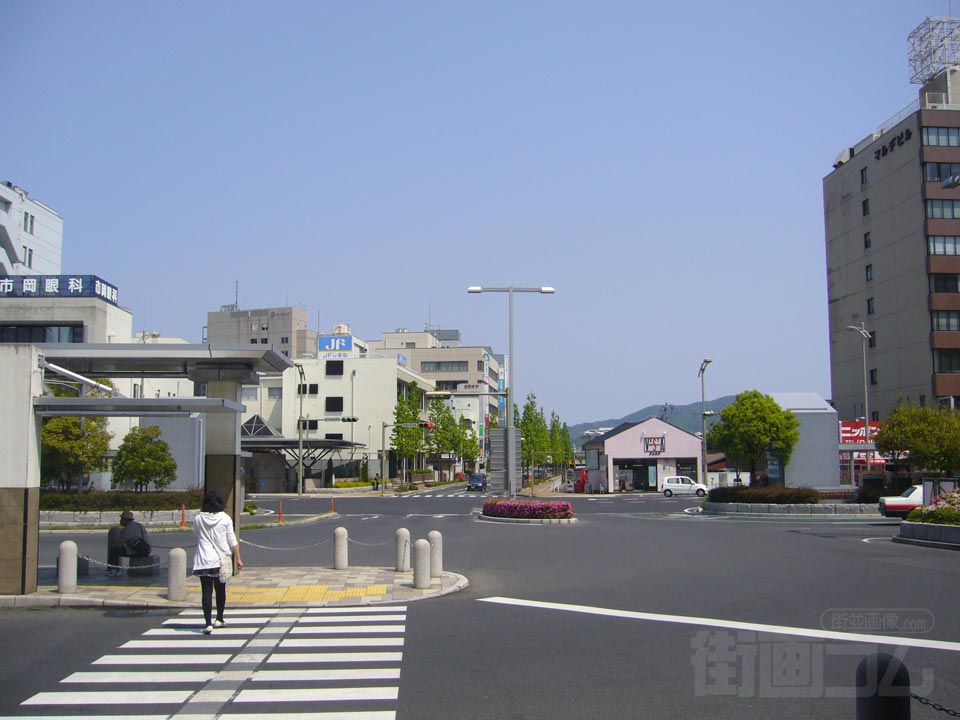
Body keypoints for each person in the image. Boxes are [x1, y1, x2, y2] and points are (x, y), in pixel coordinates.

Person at [192, 490, 243, 635]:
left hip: (203, 559)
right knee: (220, 590)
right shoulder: (225, 518)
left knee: (206, 592)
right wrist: (238, 558)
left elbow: (196, 533)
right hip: (220, 560)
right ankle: (219, 618)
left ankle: (207, 623)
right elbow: (232, 540)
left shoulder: (198, 519)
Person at [106, 510, 151, 576]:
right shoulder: (140, 525)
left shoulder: (128, 528)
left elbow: (120, 542)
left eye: (121, 519)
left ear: (126, 520)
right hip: (147, 550)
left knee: (114, 550)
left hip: (137, 551)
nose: (120, 521)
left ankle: (114, 569)